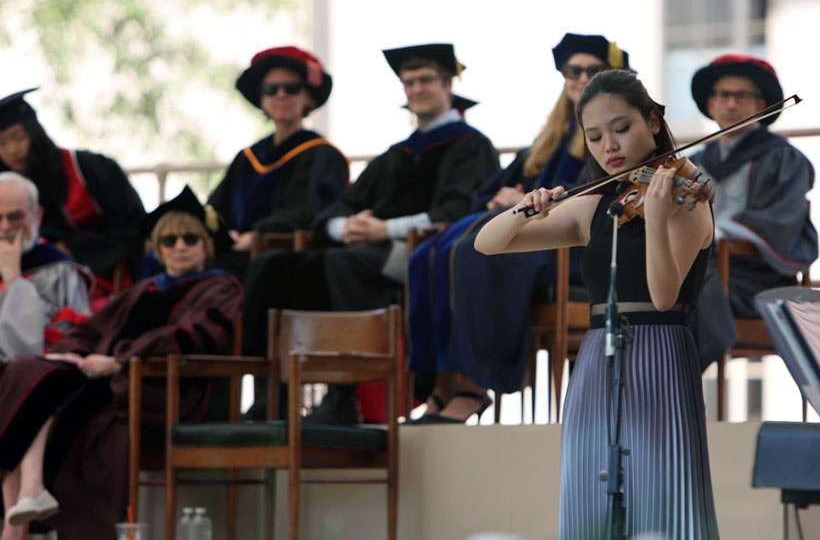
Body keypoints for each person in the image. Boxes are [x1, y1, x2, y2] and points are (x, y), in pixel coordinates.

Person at [476, 69, 719, 538]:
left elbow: (663, 296)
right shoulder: (596, 205)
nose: (609, 146)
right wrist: (529, 206)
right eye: (594, 136)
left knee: (660, 497)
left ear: (652, 122)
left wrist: (656, 221)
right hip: (595, 355)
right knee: (589, 495)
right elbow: (488, 243)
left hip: (660, 353)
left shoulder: (686, 200)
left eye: (621, 128)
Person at [240, 43, 498, 422]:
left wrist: (382, 230)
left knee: (342, 267)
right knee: (274, 267)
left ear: (447, 85)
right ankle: (271, 392)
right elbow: (339, 206)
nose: (416, 89)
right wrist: (344, 227)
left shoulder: (471, 146)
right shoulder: (397, 154)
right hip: (368, 252)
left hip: (421, 257)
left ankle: (346, 395)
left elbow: (458, 212)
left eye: (425, 80)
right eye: (409, 82)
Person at [407, 33, 631, 423]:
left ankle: (474, 384)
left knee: (475, 254)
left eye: (592, 70)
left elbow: (593, 198)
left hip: (570, 248)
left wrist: (531, 202)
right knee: (427, 254)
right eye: (573, 71)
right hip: (530, 235)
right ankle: (440, 384)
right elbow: (492, 188)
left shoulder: (608, 137)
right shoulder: (549, 140)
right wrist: (500, 200)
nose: (581, 78)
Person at [0, 186, 241, 540]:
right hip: (107, 379)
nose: (180, 246)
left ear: (206, 243)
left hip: (161, 389)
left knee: (62, 402)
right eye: (170, 239)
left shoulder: (220, 288)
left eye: (190, 237)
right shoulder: (143, 290)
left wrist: (120, 360)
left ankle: (16, 530)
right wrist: (66, 354)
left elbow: (199, 336)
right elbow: (90, 330)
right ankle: (30, 491)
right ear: (158, 248)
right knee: (27, 370)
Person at [687, 54, 818, 371]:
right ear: (711, 103)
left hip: (755, 279)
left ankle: (678, 379)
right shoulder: (692, 164)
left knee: (691, 286)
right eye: (723, 95)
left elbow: (780, 222)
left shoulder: (784, 159)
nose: (731, 104)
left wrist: (718, 233)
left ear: (761, 104)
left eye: (741, 96)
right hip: (703, 269)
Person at [206, 46, 350, 279]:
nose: (281, 95)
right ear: (262, 100)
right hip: (234, 251)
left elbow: (310, 211)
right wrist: (223, 234)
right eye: (271, 89)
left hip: (281, 259)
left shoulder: (322, 154)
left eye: (291, 88)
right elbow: (216, 208)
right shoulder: (248, 157)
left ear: (308, 98)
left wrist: (258, 235)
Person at [0, 88, 145, 292]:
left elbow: (133, 227)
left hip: (101, 280)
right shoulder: (5, 188)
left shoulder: (89, 169)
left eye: (18, 137)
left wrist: (71, 247)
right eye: (1, 143)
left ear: (35, 132)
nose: (11, 150)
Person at [0, 172, 91, 361]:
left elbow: (68, 343)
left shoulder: (62, 272)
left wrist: (12, 280)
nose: (5, 226)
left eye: (15, 216)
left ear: (37, 215)